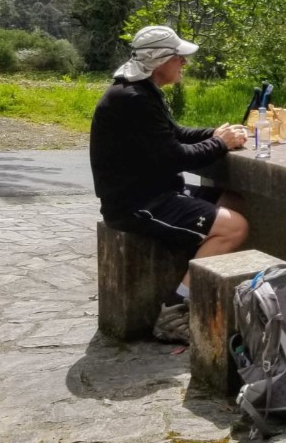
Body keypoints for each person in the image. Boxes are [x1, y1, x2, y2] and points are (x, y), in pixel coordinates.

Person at [89, 25, 250, 344]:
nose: (184, 63)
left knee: (233, 198)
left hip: (154, 193)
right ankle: (176, 313)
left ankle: (198, 271)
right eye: (178, 57)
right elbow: (174, 157)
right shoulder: (132, 99)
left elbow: (173, 134)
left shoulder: (140, 90)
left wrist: (215, 133)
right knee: (236, 227)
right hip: (137, 205)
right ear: (159, 60)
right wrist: (219, 144)